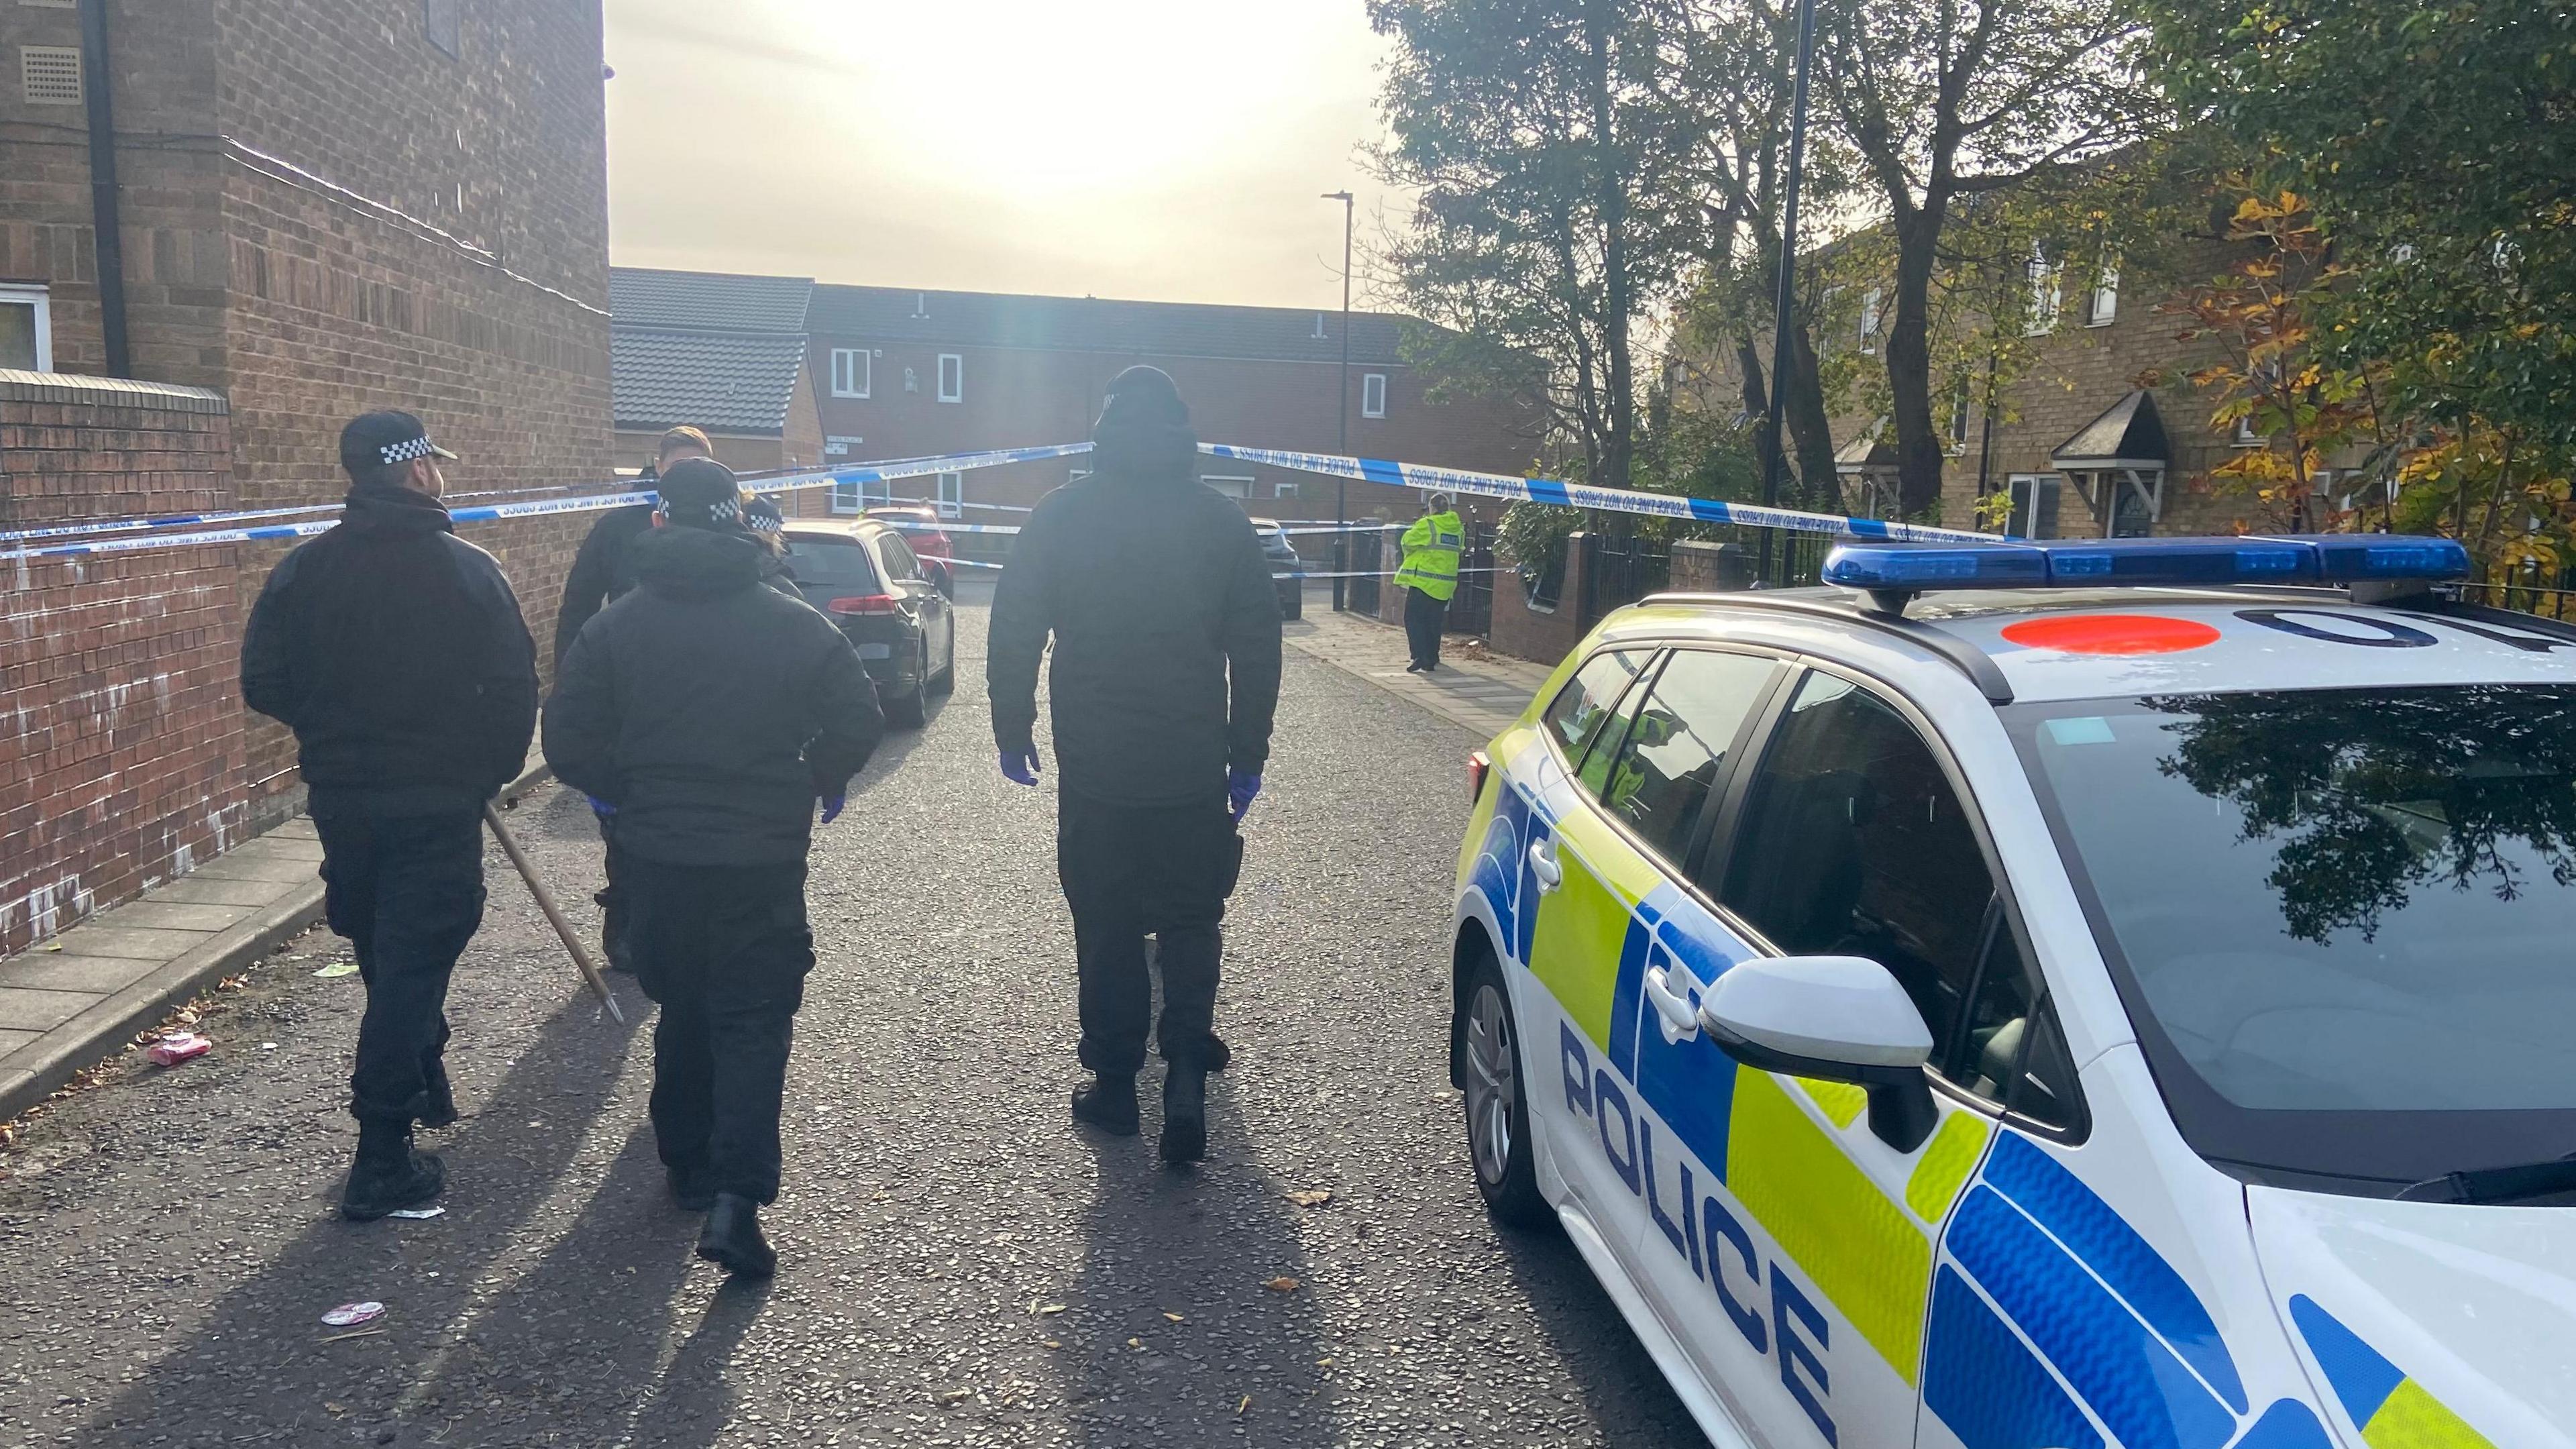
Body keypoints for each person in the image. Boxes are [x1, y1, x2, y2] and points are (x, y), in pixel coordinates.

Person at [543, 458, 883, 1277]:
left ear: (660, 524)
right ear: (738, 522)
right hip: (760, 857)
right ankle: (736, 1198)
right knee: (753, 1017)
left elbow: (566, 741)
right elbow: (858, 719)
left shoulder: (616, 625)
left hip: (657, 857)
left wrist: (625, 794)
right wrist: (816, 780)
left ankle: (685, 1159)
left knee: (684, 1002)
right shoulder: (795, 621)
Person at [241, 411, 537, 1220]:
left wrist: (332, 726)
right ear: (413, 473)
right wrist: (485, 769)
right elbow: (515, 688)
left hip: (346, 798)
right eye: (432, 465)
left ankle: (422, 1074)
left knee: (382, 945)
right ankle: (381, 1155)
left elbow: (262, 682)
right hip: (437, 800)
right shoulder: (468, 570)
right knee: (413, 963)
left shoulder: (303, 571)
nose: (441, 475)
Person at [989, 366, 1283, 1165]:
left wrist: (1011, 725)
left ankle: (1116, 1085)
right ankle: (1186, 1066)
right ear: (1183, 434)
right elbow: (1258, 649)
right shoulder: (1221, 522)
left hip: (1097, 764)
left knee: (1107, 920)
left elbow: (1015, 623)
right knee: (1193, 917)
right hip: (1190, 761)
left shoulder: (1062, 516)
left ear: (1105, 431)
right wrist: (1246, 753)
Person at [555, 426, 782, 973]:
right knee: (626, 828)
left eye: (694, 465)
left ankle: (703, 924)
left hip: (713, 694)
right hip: (630, 688)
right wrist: (575, 685)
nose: (681, 475)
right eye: (674, 465)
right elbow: (578, 606)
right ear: (655, 468)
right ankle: (627, 923)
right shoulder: (617, 528)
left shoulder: (738, 525)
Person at [1395, 492, 1466, 673]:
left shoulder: (1427, 524)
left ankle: (1420, 656)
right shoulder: (1458, 529)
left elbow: (1407, 541)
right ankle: (1432, 658)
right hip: (1446, 584)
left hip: (1424, 583)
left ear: (1431, 508)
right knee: (1433, 621)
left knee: (1413, 619)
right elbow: (1458, 550)